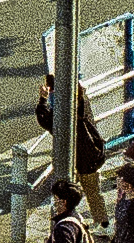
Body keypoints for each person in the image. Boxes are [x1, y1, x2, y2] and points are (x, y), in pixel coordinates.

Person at [34, 75, 109, 228]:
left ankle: (96, 223)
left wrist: (43, 99)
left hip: (80, 158)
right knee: (93, 191)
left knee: (69, 193)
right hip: (92, 152)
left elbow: (45, 119)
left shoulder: (67, 113)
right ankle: (103, 223)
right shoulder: (81, 100)